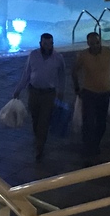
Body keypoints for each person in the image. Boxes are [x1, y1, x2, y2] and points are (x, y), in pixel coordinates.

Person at [12, 32, 68, 162]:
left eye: (50, 44)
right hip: (34, 92)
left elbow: (62, 76)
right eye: (45, 44)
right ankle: (38, 138)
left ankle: (40, 146)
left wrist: (61, 91)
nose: (48, 47)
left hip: (49, 94)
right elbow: (26, 74)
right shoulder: (33, 55)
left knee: (44, 120)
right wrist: (18, 90)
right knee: (35, 118)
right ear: (40, 44)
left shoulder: (58, 58)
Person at [72, 31, 110, 162]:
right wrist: (77, 88)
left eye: (97, 43)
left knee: (101, 122)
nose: (95, 46)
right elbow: (74, 71)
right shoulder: (83, 55)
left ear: (100, 42)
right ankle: (87, 146)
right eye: (92, 43)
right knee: (88, 121)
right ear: (88, 44)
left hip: (105, 93)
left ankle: (95, 144)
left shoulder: (108, 52)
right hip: (89, 92)